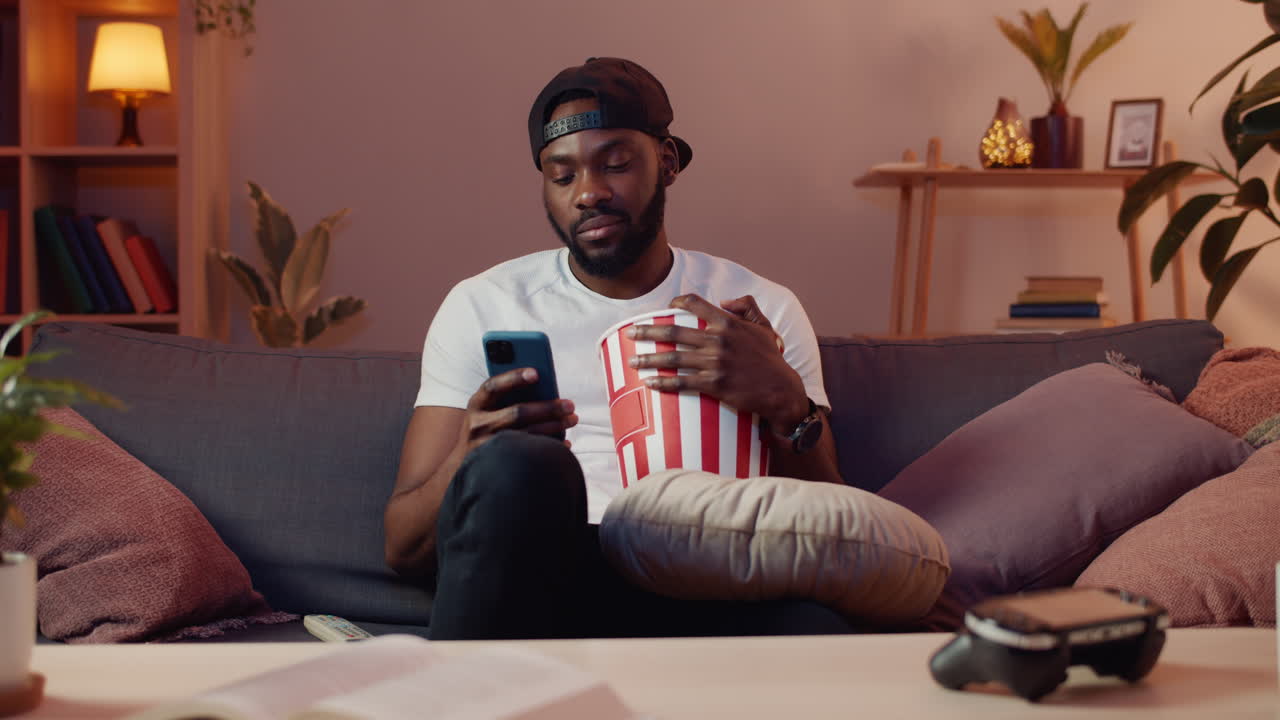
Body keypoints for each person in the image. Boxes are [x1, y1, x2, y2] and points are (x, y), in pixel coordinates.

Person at [384, 57, 847, 640]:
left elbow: (835, 535)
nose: (589, 193)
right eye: (562, 175)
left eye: (617, 164)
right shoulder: (485, 304)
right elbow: (403, 547)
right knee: (522, 463)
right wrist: (471, 458)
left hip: (712, 573)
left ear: (668, 162)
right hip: (548, 572)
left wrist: (786, 404)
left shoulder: (758, 307)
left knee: (819, 627)